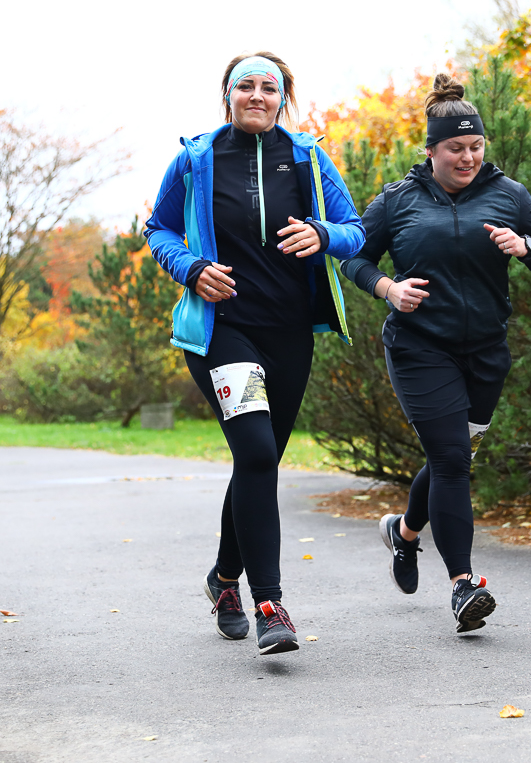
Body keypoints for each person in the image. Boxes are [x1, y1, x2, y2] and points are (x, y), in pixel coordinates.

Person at [145, 52, 365, 655]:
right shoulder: (195, 160)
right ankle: (271, 604)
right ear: (228, 94)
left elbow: (355, 230)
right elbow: (157, 228)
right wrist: (189, 267)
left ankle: (222, 581)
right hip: (224, 332)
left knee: (257, 462)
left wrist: (323, 235)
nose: (258, 95)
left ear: (284, 99)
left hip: (289, 333)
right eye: (247, 86)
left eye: (271, 88)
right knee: (258, 449)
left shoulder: (309, 159)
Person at [341, 73, 531, 633]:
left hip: (486, 351)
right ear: (432, 150)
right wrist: (389, 289)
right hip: (419, 347)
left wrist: (527, 246)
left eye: (476, 146)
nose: (468, 157)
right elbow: (352, 257)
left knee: (455, 457)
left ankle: (405, 531)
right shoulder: (398, 199)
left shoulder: (509, 194)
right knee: (450, 461)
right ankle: (463, 584)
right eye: (455, 148)